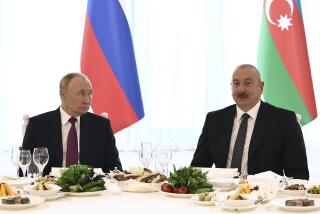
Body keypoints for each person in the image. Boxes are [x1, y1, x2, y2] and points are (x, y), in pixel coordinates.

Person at [191, 64, 309, 180]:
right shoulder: (214, 120)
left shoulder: (284, 120)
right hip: (222, 195)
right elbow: (198, 169)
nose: (241, 89)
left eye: (247, 83)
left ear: (261, 87)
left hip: (267, 196)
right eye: (236, 83)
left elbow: (298, 174)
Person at [22, 73, 122, 175]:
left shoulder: (101, 126)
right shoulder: (38, 125)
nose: (87, 100)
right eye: (81, 94)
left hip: (90, 189)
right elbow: (25, 170)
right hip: (50, 188)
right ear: (63, 93)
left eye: (90, 94)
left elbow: (115, 169)